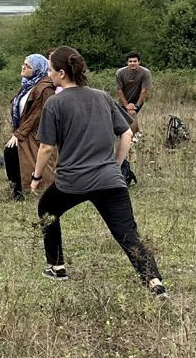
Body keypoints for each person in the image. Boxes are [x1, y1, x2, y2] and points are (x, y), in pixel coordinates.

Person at [31, 46, 165, 296]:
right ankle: (154, 282)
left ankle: (56, 266)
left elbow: (47, 147)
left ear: (61, 73)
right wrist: (116, 164)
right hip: (110, 179)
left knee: (47, 210)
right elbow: (126, 131)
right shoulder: (102, 96)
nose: (48, 74)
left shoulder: (55, 103)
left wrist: (36, 177)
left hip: (73, 182)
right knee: (127, 233)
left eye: (50, 69)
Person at [3, 53, 55, 199]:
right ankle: (17, 190)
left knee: (18, 155)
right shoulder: (27, 85)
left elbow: (37, 114)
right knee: (12, 154)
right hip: (24, 129)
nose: (23, 67)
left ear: (37, 69)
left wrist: (19, 134)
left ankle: (27, 191)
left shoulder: (45, 88)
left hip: (36, 132)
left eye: (27, 66)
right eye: (23, 64)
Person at [114, 52, 152, 136]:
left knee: (132, 114)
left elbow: (144, 90)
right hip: (123, 100)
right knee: (124, 120)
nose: (132, 63)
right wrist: (126, 105)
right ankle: (138, 134)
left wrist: (137, 105)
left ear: (139, 62)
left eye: (135, 61)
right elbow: (119, 90)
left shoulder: (145, 72)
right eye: (130, 61)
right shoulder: (120, 72)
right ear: (127, 63)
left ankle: (132, 138)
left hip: (138, 100)